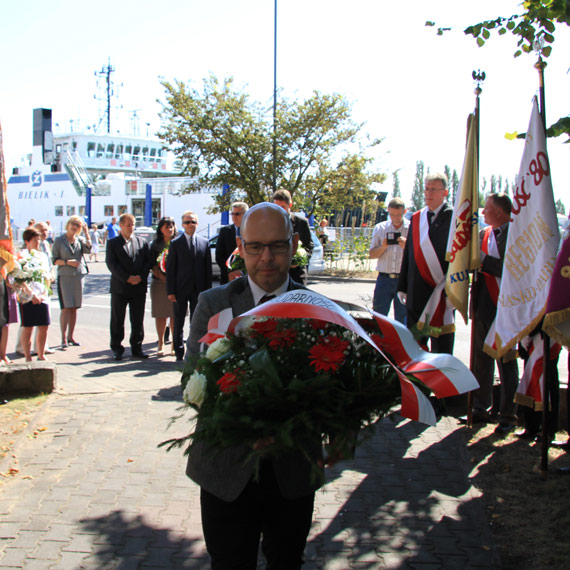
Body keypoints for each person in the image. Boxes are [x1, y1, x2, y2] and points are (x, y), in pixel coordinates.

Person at [187, 202, 320, 570]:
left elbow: (328, 388)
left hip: (292, 473)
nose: (267, 258)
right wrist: (248, 429)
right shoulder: (212, 304)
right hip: (225, 471)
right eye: (255, 247)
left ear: (293, 245)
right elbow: (192, 379)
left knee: (287, 561)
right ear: (240, 248)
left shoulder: (317, 310)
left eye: (277, 246)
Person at [469, 193, 519, 431]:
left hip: (506, 307)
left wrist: (483, 260)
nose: (483, 213)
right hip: (483, 305)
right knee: (482, 359)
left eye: (487, 209)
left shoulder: (518, 235)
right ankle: (480, 407)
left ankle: (508, 415)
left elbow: (511, 268)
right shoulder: (484, 234)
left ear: (499, 211)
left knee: (506, 362)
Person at [397, 173, 454, 354]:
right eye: (426, 189)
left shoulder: (455, 217)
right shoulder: (417, 218)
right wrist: (402, 285)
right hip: (417, 290)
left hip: (441, 290)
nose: (428, 193)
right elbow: (409, 254)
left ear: (445, 192)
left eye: (433, 189)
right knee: (416, 344)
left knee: (441, 347)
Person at [166, 211, 212, 361]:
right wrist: (170, 290)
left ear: (197, 224)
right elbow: (171, 269)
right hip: (180, 290)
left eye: (192, 222)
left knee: (197, 321)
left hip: (199, 290)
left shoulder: (204, 243)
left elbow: (207, 270)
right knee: (178, 322)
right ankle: (179, 353)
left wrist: (208, 291)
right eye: (187, 222)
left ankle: (194, 351)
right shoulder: (175, 244)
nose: (190, 225)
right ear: (182, 225)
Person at [106, 213, 152, 360]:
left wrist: (140, 277)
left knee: (137, 319)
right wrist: (127, 278)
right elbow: (112, 264)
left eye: (133, 225)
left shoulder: (142, 242)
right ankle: (117, 348)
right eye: (128, 225)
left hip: (138, 287)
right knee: (117, 319)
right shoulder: (113, 243)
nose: (131, 228)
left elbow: (147, 263)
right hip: (120, 287)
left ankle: (137, 347)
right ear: (121, 225)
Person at [52, 216, 92, 348]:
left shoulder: (80, 240)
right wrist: (67, 262)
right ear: (68, 224)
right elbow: (54, 259)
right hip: (65, 275)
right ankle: (63, 338)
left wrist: (87, 233)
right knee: (66, 308)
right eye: (73, 224)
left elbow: (89, 249)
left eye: (78, 225)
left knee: (74, 308)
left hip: (78, 275)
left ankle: (71, 336)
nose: (75, 227)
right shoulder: (59, 240)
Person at [369, 198, 409, 324]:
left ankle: (401, 343)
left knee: (402, 318)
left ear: (405, 211)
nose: (395, 218)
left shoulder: (412, 228)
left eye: (398, 215)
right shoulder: (380, 228)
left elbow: (420, 254)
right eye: (392, 214)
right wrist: (383, 247)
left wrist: (408, 247)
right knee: (379, 316)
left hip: (403, 280)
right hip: (384, 279)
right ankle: (379, 342)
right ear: (388, 212)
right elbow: (372, 254)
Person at [15, 228, 51, 362]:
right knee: (28, 327)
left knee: (44, 326)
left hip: (42, 295)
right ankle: (28, 356)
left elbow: (47, 276)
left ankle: (41, 354)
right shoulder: (21, 256)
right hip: (27, 297)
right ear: (27, 241)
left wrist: (43, 293)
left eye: (39, 240)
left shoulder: (42, 256)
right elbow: (19, 278)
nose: (38, 243)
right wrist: (31, 294)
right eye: (35, 241)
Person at [272, 189, 313, 284]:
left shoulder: (301, 222)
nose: (279, 211)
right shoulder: (269, 223)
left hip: (297, 274)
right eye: (276, 207)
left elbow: (309, 246)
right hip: (275, 274)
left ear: (290, 205)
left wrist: (299, 260)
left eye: (282, 207)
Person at [149, 216, 177, 356]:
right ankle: (160, 342)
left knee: (174, 315)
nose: (169, 229)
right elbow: (151, 264)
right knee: (161, 315)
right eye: (166, 226)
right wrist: (161, 276)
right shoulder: (155, 245)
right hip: (159, 283)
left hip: (175, 284)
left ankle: (173, 343)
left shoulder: (178, 243)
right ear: (161, 229)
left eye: (171, 226)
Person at [215, 201, 249, 284]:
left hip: (248, 277)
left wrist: (243, 271)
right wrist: (230, 272)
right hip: (228, 278)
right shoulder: (224, 231)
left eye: (237, 214)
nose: (234, 217)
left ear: (246, 214)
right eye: (232, 214)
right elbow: (219, 256)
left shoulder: (252, 231)